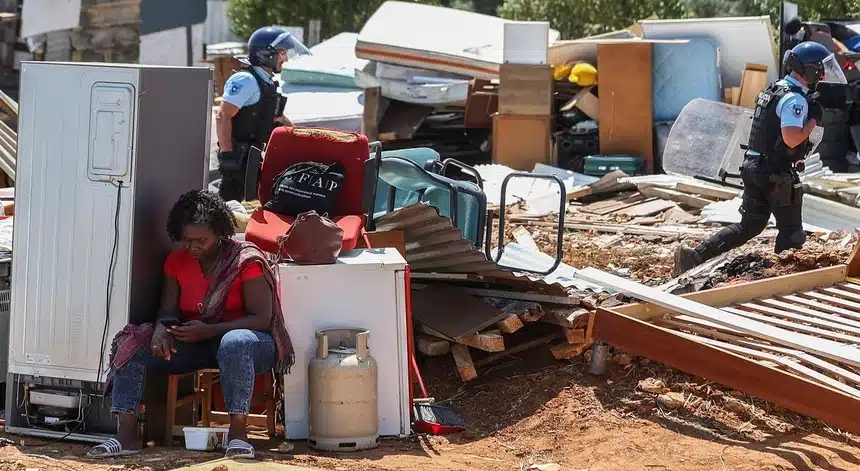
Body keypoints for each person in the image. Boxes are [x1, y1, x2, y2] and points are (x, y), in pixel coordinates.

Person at [88, 190, 294, 459]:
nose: (193, 247)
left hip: (251, 345)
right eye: (186, 240)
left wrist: (208, 330)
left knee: (234, 342)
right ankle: (126, 435)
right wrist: (161, 331)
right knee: (133, 344)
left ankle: (238, 435)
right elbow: (168, 311)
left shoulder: (245, 261)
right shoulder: (176, 262)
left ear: (219, 232)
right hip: (197, 342)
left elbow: (261, 319)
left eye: (201, 241)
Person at [674, 41, 835, 276]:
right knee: (792, 232)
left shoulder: (773, 90)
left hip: (753, 166)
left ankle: (695, 256)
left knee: (750, 225)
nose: (822, 76)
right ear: (809, 70)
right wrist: (814, 120)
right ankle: (784, 282)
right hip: (774, 173)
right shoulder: (795, 99)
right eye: (820, 71)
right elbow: (791, 139)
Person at [215, 26, 310, 202]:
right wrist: (228, 155)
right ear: (266, 54)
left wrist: (305, 139)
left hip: (252, 156)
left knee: (251, 205)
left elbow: (278, 118)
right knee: (231, 208)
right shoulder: (246, 80)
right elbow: (223, 115)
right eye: (282, 53)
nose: (285, 59)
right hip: (237, 158)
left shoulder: (266, 83)